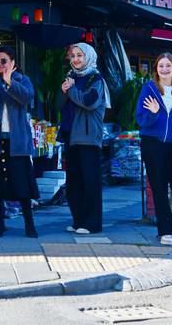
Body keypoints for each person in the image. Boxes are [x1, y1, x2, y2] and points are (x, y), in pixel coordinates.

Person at [0, 46, 39, 238]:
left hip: (16, 141)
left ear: (13, 62)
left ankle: (29, 224)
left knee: (22, 184)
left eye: (3, 61)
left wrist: (9, 81)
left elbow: (26, 98)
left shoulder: (22, 79)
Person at [136, 52, 172, 246]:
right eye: (161, 66)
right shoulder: (149, 89)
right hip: (153, 145)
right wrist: (154, 113)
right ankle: (165, 231)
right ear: (156, 69)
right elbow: (141, 120)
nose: (164, 69)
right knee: (159, 189)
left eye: (168, 65)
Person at [59, 43, 110, 235]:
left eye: (79, 55)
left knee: (90, 182)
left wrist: (70, 90)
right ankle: (78, 221)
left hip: (88, 138)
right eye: (72, 56)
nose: (75, 59)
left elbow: (89, 102)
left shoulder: (95, 79)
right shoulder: (70, 77)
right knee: (74, 182)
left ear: (88, 57)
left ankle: (92, 224)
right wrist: (63, 91)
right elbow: (60, 104)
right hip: (70, 136)